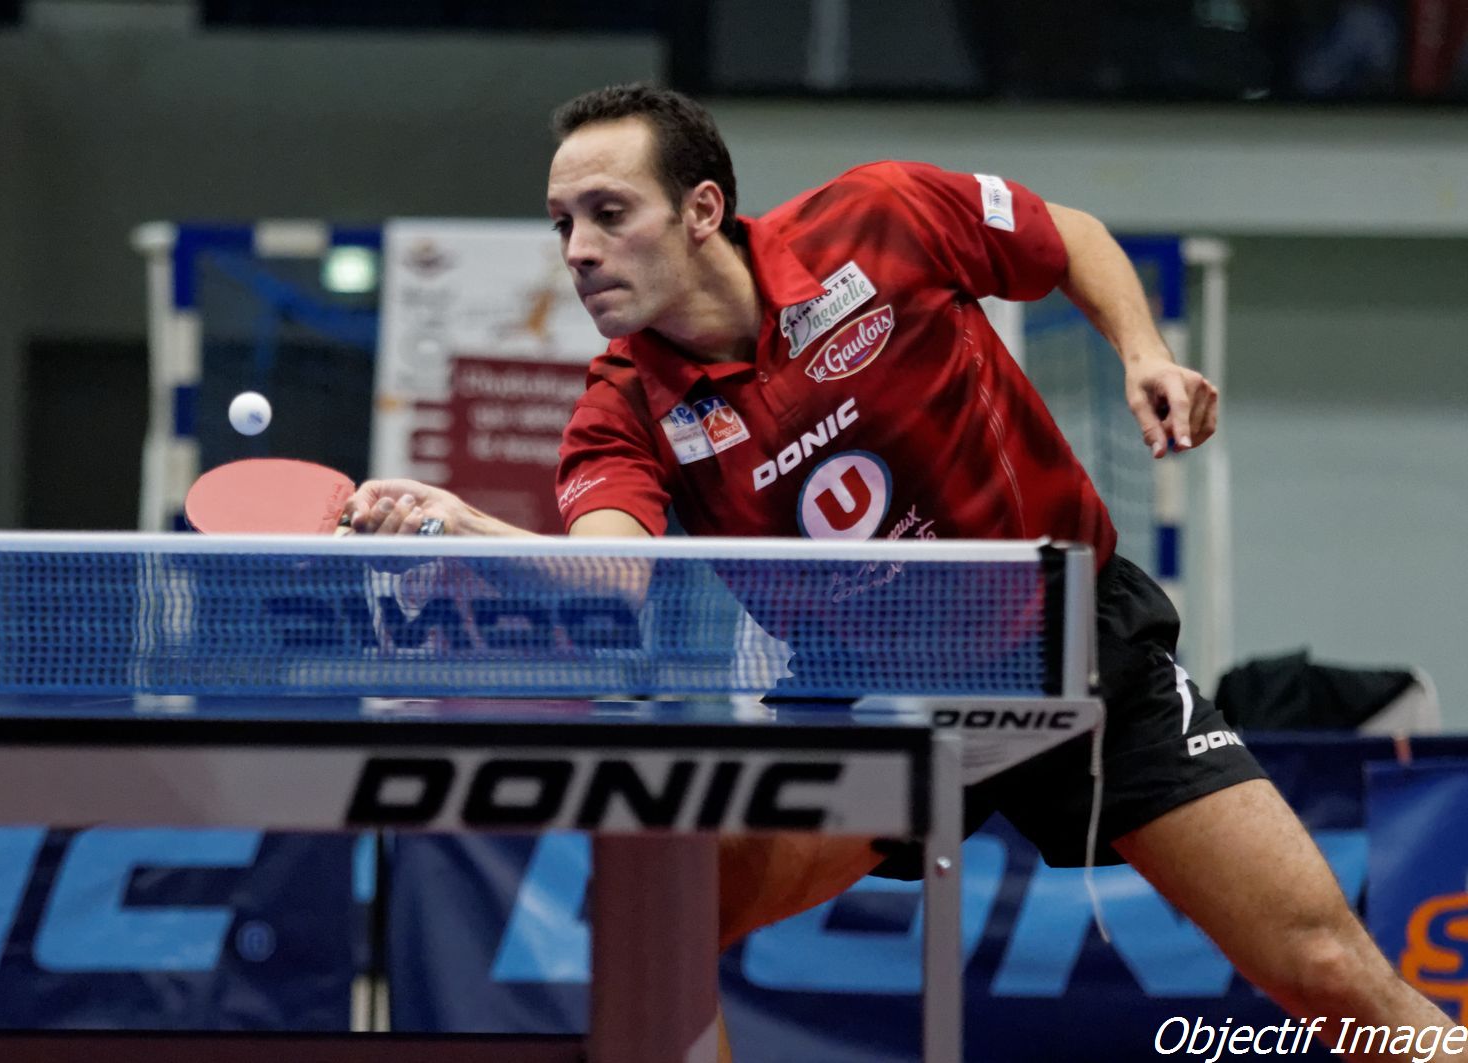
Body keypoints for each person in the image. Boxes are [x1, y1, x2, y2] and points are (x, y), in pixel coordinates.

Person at [344, 84, 1463, 1062]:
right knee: (656, 927)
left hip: (1073, 647)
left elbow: (1061, 236)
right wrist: (463, 525)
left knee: (1328, 971)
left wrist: (1145, 352)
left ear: (699, 210)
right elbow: (613, 572)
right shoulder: (621, 410)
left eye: (607, 213)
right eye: (561, 224)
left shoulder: (875, 219)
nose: (578, 249)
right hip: (866, 699)